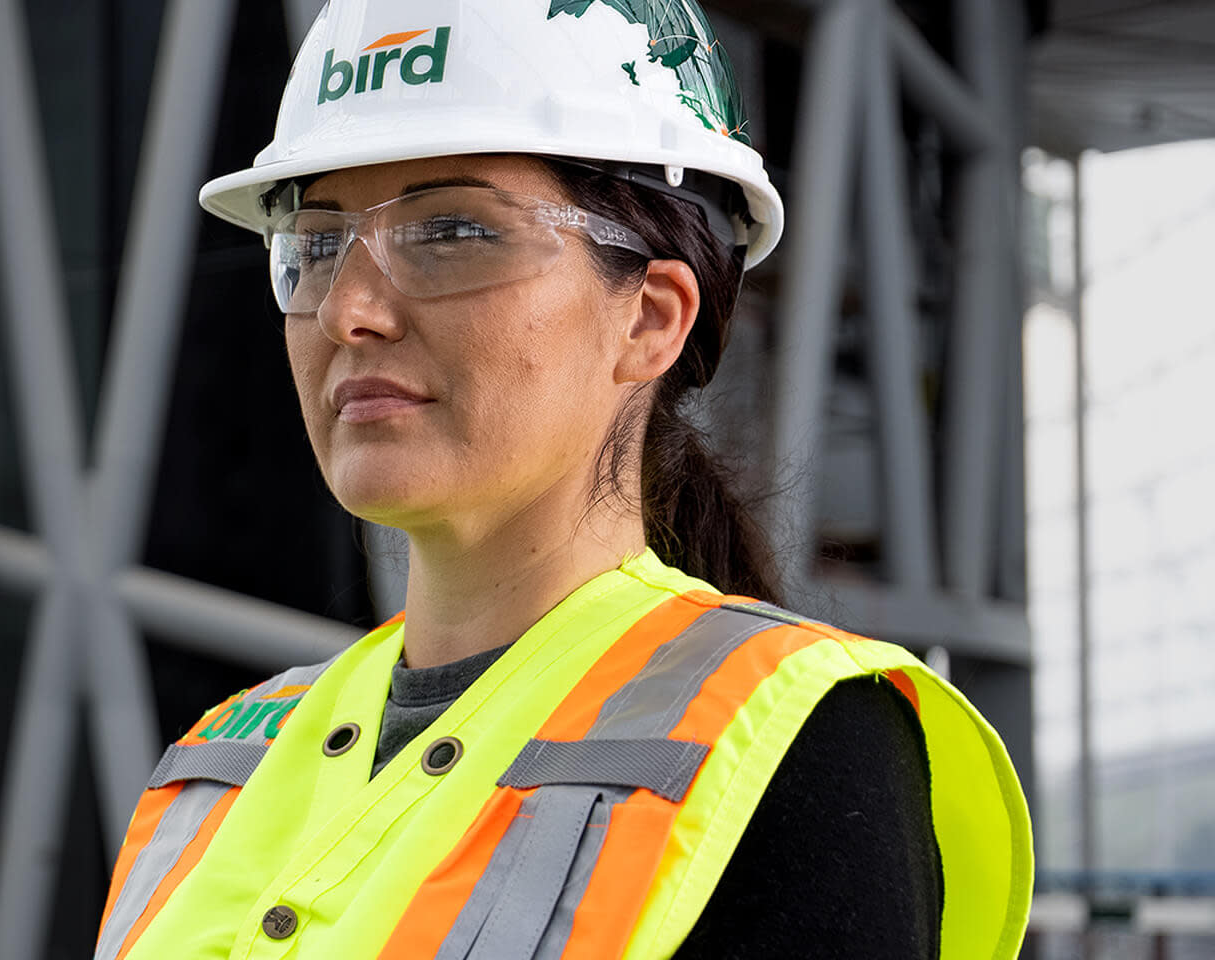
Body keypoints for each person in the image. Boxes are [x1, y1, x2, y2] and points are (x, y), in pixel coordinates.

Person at [92, 2, 1032, 958]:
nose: (349, 310)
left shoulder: (792, 747)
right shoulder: (224, 763)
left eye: (452, 231)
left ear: (651, 319)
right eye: (319, 244)